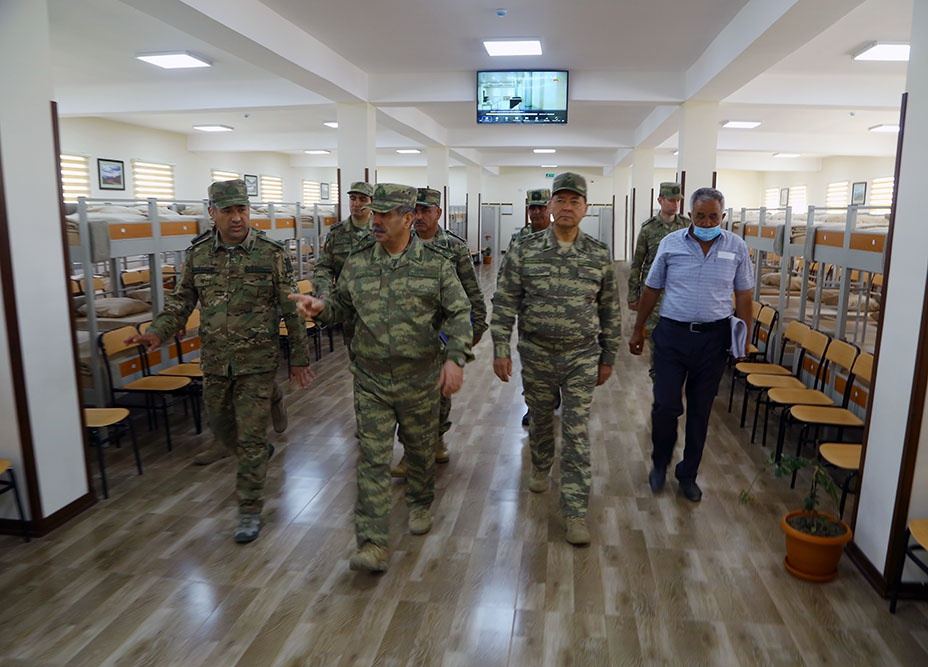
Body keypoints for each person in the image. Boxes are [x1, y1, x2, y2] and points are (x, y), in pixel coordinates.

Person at [289, 183, 473, 573]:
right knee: (372, 459)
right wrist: (321, 307)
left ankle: (421, 502)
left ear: (408, 219)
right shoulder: (357, 262)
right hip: (370, 378)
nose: (376, 221)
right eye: (374, 213)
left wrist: (455, 359)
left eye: (385, 214)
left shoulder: (436, 264)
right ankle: (372, 542)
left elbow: (460, 313)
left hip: (420, 377)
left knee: (420, 449)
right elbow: (342, 308)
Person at [129, 179, 314, 543]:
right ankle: (260, 444)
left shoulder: (270, 253)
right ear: (212, 212)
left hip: (257, 362)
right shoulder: (198, 256)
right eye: (228, 210)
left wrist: (298, 358)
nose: (236, 218)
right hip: (215, 361)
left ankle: (248, 509)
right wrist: (156, 332)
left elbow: (291, 309)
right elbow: (181, 303)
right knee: (221, 427)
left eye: (242, 209)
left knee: (248, 440)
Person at [491, 172, 620, 546]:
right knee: (542, 417)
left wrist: (608, 355)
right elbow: (505, 301)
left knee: (577, 431)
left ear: (585, 209)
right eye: (560, 201)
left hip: (581, 354)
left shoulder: (597, 254)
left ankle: (575, 511)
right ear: (549, 207)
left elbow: (610, 309)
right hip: (536, 352)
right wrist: (500, 347)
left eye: (574, 201)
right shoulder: (525, 250)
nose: (566, 207)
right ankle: (542, 461)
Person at [628, 187, 754, 503]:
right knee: (666, 405)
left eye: (714, 216)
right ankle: (660, 463)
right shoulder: (671, 244)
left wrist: (745, 338)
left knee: (700, 410)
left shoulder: (736, 247)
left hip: (714, 340)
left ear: (723, 217)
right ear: (691, 216)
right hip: (672, 335)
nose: (707, 221)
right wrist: (638, 328)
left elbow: (744, 295)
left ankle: (688, 474)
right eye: (701, 215)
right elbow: (652, 287)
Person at [390, 187, 488, 477]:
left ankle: (436, 439)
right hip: (407, 331)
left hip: (444, 332)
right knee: (407, 395)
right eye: (415, 211)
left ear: (438, 213)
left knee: (439, 392)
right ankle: (409, 452)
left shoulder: (454, 247)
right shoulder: (401, 242)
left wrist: (476, 326)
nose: (419, 217)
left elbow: (472, 290)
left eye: (425, 211)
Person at [627, 182, 689, 381]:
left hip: (679, 291)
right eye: (671, 200)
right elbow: (638, 262)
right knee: (655, 333)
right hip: (653, 291)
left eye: (678, 200)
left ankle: (674, 371)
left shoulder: (687, 226)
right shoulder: (648, 229)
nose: (675, 204)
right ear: (660, 200)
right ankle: (657, 372)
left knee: (678, 333)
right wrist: (633, 293)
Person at [313, 181, 374, 350]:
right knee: (356, 364)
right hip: (349, 311)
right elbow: (323, 267)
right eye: (353, 198)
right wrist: (324, 295)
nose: (356, 203)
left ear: (372, 202)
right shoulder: (337, 233)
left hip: (379, 310)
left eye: (362, 199)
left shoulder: (381, 230)